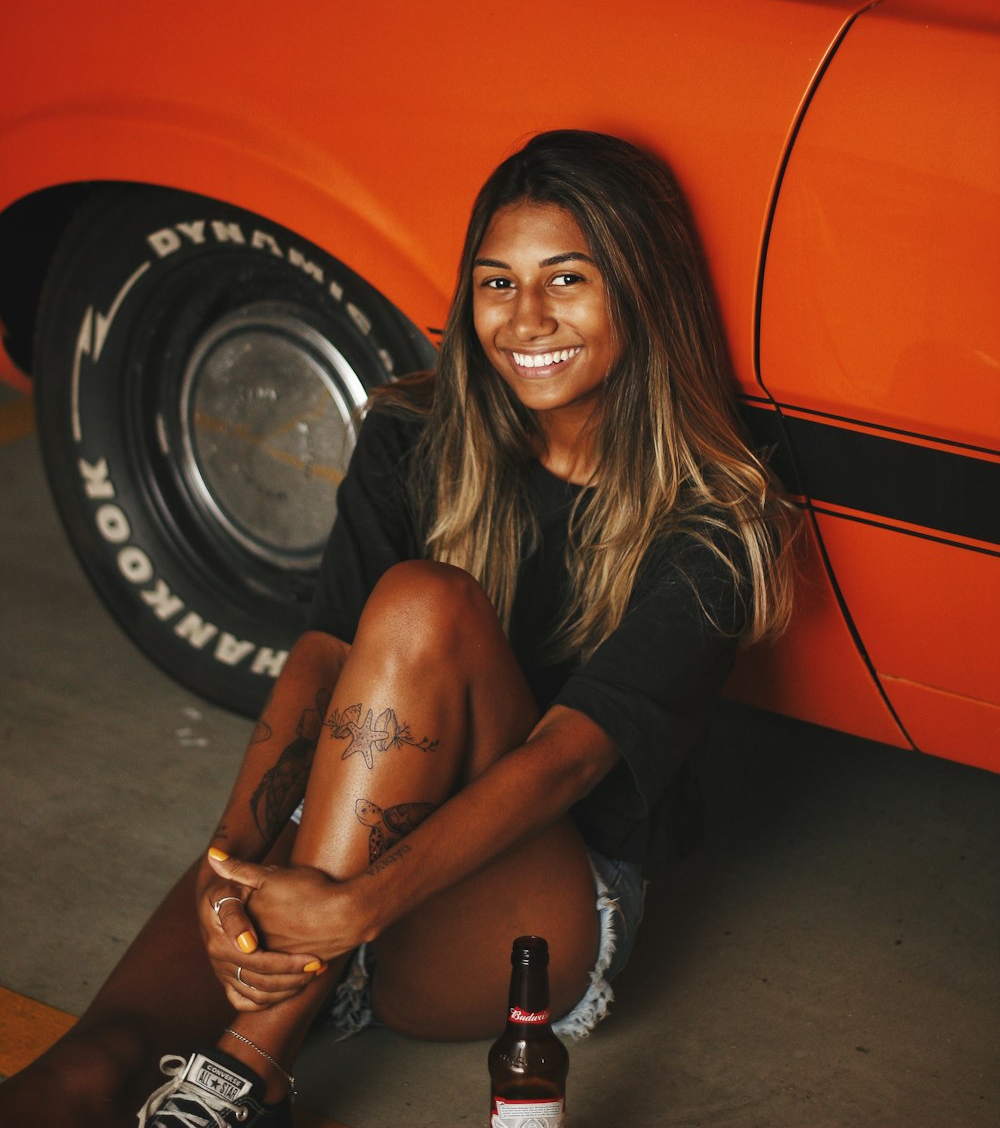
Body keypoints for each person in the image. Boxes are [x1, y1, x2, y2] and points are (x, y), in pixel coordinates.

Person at [1, 130, 800, 1127]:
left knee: (428, 602)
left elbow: (565, 760)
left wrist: (358, 910)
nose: (526, 318)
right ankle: (270, 1000)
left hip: (530, 908)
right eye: (495, 283)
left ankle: (251, 1069)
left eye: (567, 279)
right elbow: (324, 657)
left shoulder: (715, 510)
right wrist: (225, 869)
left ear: (642, 292)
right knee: (78, 1076)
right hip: (346, 844)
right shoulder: (411, 431)